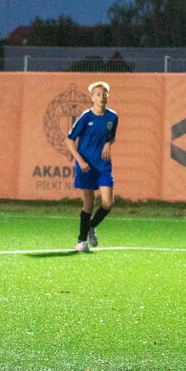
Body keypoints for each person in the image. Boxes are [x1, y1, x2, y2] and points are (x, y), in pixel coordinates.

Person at [65, 81, 118, 252]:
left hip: (103, 166)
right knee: (89, 203)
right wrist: (80, 161)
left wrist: (108, 143)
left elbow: (111, 136)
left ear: (108, 96)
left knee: (108, 202)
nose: (101, 97)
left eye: (104, 94)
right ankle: (81, 241)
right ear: (92, 98)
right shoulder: (86, 117)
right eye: (98, 94)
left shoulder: (113, 117)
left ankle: (91, 226)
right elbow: (69, 140)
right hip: (86, 165)